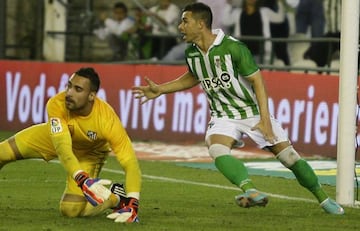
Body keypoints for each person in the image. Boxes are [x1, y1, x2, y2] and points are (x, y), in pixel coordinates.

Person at [132, 2, 344, 215]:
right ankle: (250, 190)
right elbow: (194, 76)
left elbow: (257, 82)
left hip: (251, 111)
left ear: (201, 23)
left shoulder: (233, 48)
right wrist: (161, 89)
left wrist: (265, 120)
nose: (180, 26)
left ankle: (323, 199)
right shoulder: (192, 53)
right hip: (222, 115)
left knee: (289, 158)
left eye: (185, 21)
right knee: (216, 148)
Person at [0, 67, 142, 223]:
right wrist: (82, 179)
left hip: (88, 153)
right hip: (55, 139)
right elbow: (63, 148)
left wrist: (133, 201)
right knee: (2, 152)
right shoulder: (56, 104)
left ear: (91, 96)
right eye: (69, 86)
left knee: (70, 210)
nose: (69, 93)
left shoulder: (106, 119)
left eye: (78, 89)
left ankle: (115, 198)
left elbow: (130, 162)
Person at [221, 0, 286, 64]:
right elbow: (225, 21)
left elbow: (279, 18)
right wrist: (229, 4)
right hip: (242, 54)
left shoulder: (265, 12)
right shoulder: (238, 13)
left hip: (261, 54)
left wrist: (280, 2)